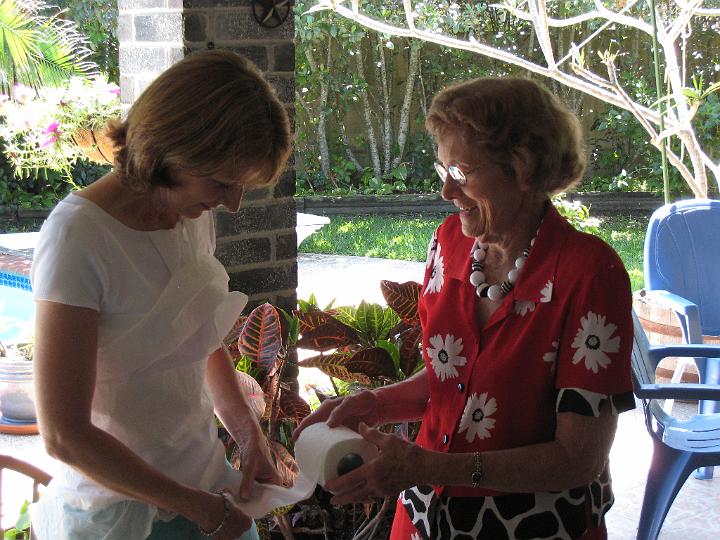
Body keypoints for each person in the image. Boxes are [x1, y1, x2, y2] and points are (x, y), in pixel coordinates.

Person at [294, 77, 635, 539]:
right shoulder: (449, 244)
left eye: (462, 172)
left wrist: (432, 466)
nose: (447, 192)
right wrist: (373, 404)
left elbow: (578, 459)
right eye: (443, 171)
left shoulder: (589, 273)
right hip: (427, 516)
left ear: (523, 167)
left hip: (534, 527)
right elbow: (450, 382)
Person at [29, 50, 293, 539]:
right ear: (172, 149)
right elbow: (64, 435)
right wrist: (200, 510)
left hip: (203, 486)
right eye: (223, 183)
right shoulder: (79, 237)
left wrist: (247, 434)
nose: (232, 204)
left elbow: (197, 336)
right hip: (119, 513)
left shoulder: (191, 214)